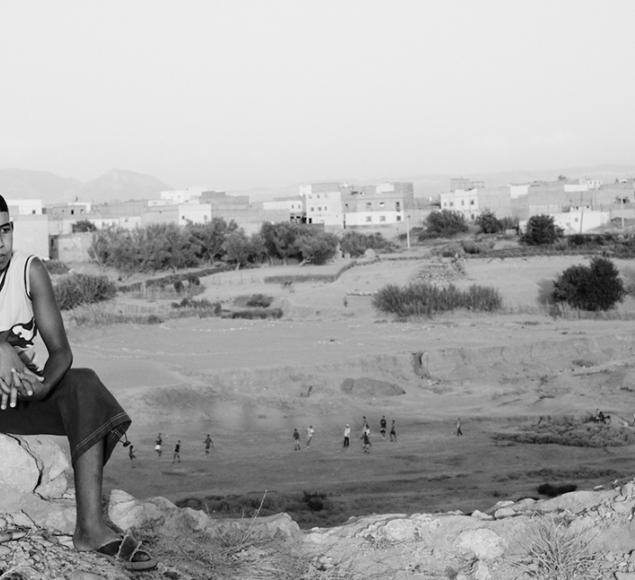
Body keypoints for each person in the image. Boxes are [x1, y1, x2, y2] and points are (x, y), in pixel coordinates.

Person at [0, 196, 156, 571]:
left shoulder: (28, 270)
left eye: (4, 231)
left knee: (84, 385)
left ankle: (89, 529)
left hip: (12, 400)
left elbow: (61, 352)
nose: (0, 244)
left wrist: (42, 387)